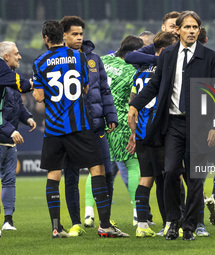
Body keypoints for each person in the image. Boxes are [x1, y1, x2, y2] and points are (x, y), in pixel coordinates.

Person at [128, 11, 215, 241]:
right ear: (178, 30)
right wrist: (135, 105)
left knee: (194, 179)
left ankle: (190, 226)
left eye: (196, 27)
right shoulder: (168, 55)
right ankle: (173, 221)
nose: (192, 31)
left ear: (199, 31)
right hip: (172, 123)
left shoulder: (212, 58)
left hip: (201, 126)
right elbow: (154, 85)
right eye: (188, 27)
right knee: (170, 171)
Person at [32, 20, 126, 238]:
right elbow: (85, 88)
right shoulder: (79, 57)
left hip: (54, 127)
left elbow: (38, 97)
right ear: (62, 36)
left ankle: (56, 228)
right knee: (97, 169)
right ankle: (104, 224)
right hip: (79, 125)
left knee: (54, 175)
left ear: (46, 38)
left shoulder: (39, 62)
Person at [59, 16, 120, 237]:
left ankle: (105, 219)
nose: (78, 38)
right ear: (63, 35)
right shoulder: (57, 61)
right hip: (70, 128)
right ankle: (76, 222)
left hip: (95, 125)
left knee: (106, 172)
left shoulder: (94, 59)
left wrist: (110, 115)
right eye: (74, 34)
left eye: (81, 34)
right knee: (71, 175)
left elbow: (104, 90)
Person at [128, 31, 178, 238]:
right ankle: (171, 223)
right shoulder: (166, 70)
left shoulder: (139, 72)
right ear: (165, 51)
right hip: (160, 131)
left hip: (140, 132)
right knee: (168, 178)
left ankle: (141, 225)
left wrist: (133, 133)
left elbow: (133, 100)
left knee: (146, 178)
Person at [101, 35, 143, 226]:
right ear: (134, 53)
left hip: (99, 119)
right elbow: (132, 99)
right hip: (121, 121)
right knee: (133, 165)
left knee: (98, 167)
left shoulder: (103, 60)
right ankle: (137, 214)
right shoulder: (132, 71)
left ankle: (89, 214)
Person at [0, 41, 36, 231]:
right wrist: (10, 130)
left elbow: (18, 104)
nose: (20, 56)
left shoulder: (9, 79)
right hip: (4, 135)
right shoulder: (3, 76)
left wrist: (28, 118)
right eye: (16, 54)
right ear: (6, 57)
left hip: (9, 141)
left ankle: (8, 221)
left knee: (9, 182)